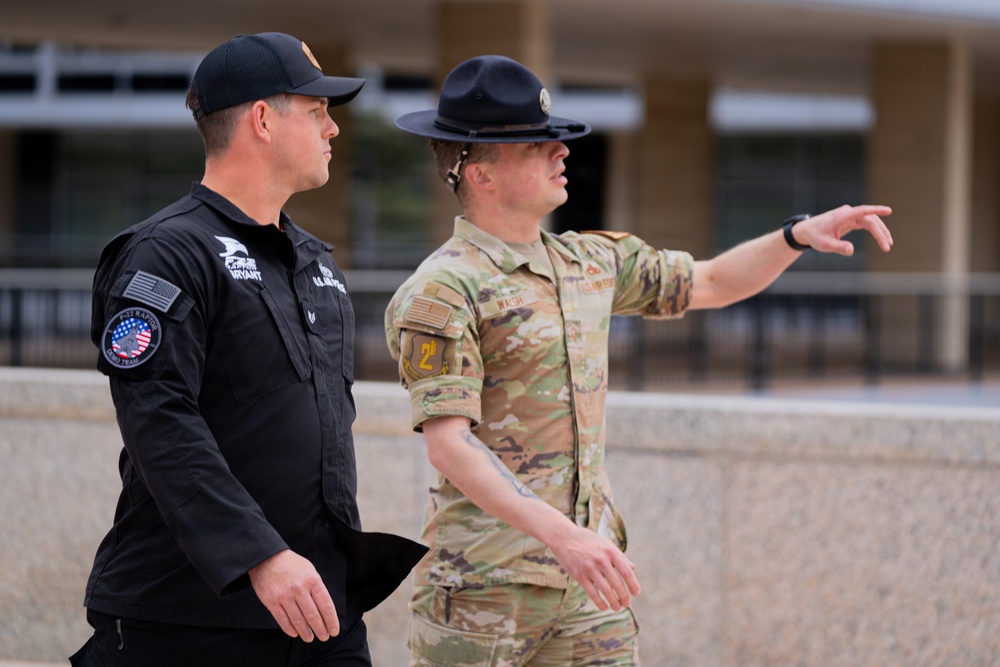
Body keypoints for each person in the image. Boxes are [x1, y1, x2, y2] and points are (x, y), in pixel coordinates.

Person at [384, 55, 893, 666]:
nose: (561, 152)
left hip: (589, 585)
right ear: (481, 174)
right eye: (537, 145)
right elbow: (449, 446)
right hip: (483, 591)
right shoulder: (442, 290)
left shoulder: (590, 262)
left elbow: (710, 283)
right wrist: (566, 538)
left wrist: (794, 237)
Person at [71, 32, 426, 667]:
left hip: (319, 612)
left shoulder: (316, 263)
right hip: (190, 618)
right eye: (317, 111)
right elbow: (160, 421)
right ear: (263, 119)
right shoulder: (166, 253)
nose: (332, 129)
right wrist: (260, 555)